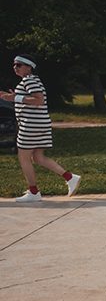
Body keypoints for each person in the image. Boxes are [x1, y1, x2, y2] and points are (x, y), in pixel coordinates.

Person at [1, 55, 81, 202]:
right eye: (14, 65)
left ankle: (33, 192)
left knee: (24, 158)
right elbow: (31, 99)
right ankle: (70, 178)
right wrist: (14, 96)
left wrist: (15, 98)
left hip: (30, 125)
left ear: (29, 67)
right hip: (39, 124)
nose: (15, 67)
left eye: (19, 65)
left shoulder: (29, 80)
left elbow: (39, 100)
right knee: (38, 157)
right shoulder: (31, 81)